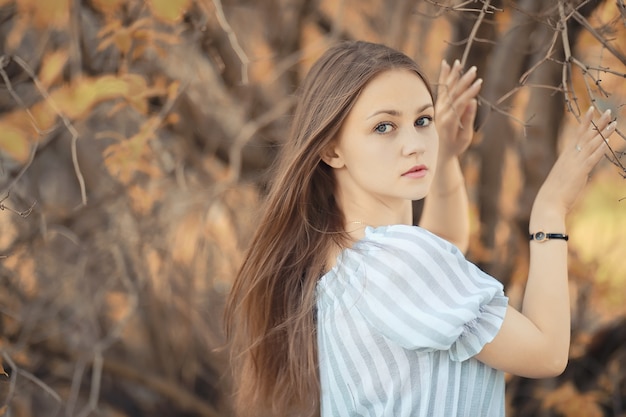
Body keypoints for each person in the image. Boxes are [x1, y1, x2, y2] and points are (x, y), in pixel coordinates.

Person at [224, 40, 617, 417]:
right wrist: (550, 210)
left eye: (422, 120)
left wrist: (445, 160)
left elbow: (442, 250)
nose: (414, 144)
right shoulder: (397, 260)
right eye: (384, 127)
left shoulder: (340, 256)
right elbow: (546, 354)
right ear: (332, 149)